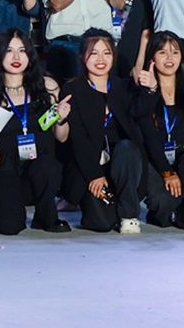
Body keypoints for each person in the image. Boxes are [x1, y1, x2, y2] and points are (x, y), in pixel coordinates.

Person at [0, 29, 72, 234]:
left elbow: (62, 137)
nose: (16, 57)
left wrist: (61, 117)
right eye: (9, 51)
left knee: (48, 166)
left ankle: (46, 216)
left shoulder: (47, 88)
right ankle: (1, 206)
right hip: (7, 171)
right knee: (10, 227)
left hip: (39, 170)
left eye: (22, 50)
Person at [59, 29, 147, 233]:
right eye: (94, 53)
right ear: (82, 56)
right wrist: (95, 175)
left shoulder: (123, 86)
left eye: (106, 53)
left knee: (127, 147)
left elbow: (140, 115)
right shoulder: (73, 89)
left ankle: (129, 215)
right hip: (90, 167)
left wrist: (150, 91)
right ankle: (109, 206)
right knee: (101, 223)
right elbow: (78, 138)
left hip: (122, 165)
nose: (101, 59)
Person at [131, 31, 184, 229]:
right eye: (162, 52)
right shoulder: (144, 90)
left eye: (175, 52)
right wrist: (167, 172)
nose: (170, 58)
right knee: (163, 205)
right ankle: (169, 206)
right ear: (152, 57)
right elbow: (148, 135)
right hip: (154, 160)